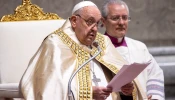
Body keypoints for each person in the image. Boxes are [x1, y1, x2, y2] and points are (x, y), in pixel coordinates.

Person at [19, 1, 145, 100]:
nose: (95, 29)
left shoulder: (102, 42)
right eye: (90, 22)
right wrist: (89, 93)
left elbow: (117, 80)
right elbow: (50, 88)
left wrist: (125, 90)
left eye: (97, 23)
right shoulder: (56, 43)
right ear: (74, 21)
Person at [101, 0, 165, 100]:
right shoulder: (96, 49)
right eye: (115, 18)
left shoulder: (139, 47)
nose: (121, 22)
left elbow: (155, 73)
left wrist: (154, 97)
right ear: (103, 21)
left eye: (125, 18)